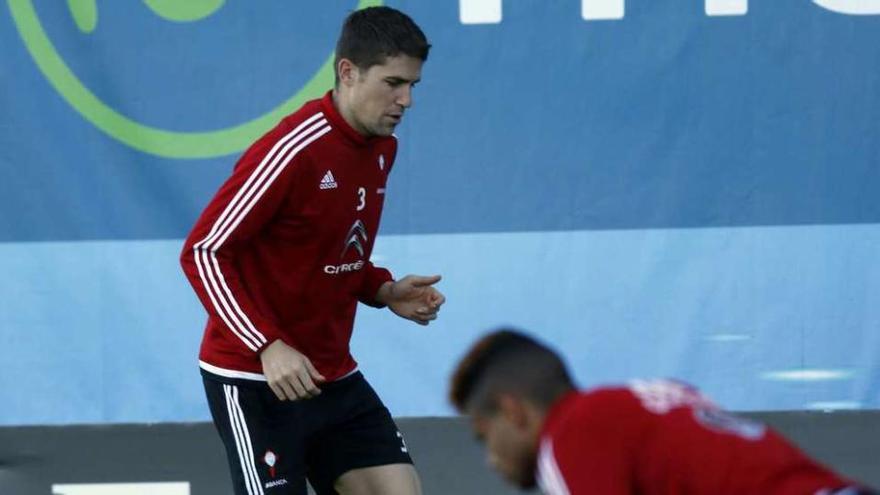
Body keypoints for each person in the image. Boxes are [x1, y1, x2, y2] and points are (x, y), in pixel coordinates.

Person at [180, 7, 443, 495]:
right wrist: (267, 345)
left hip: (331, 374)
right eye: (393, 83)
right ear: (348, 72)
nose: (405, 100)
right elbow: (204, 252)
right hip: (255, 378)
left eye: (413, 85)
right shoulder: (292, 149)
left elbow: (335, 248)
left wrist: (382, 289)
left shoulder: (383, 148)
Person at [449, 329, 875, 495]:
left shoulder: (570, 433)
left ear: (513, 412)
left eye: (484, 437)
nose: (490, 460)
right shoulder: (642, 405)